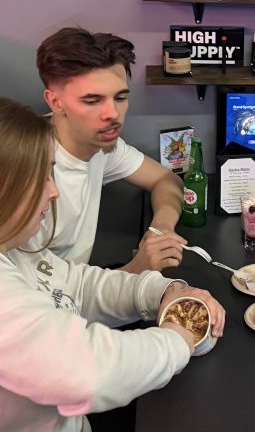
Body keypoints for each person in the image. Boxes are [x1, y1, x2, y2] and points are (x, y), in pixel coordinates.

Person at [0, 96, 226, 432]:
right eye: (42, 175)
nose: (54, 191)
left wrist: (162, 291)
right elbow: (86, 373)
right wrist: (180, 337)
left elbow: (78, 288)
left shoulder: (6, 246)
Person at [26, 27, 188, 272]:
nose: (112, 114)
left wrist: (160, 230)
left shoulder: (102, 145)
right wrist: (137, 268)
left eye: (120, 98)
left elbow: (167, 179)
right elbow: (36, 298)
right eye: (92, 101)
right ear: (55, 102)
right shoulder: (26, 174)